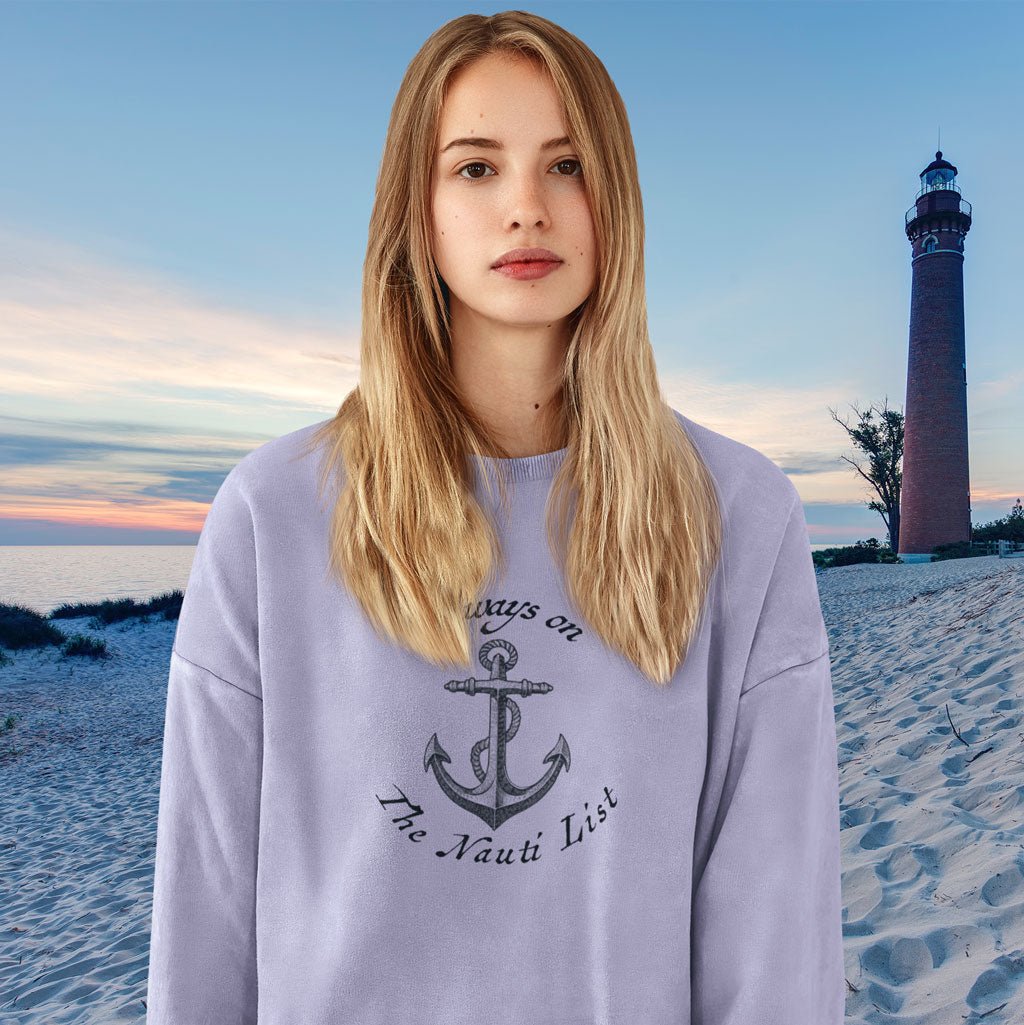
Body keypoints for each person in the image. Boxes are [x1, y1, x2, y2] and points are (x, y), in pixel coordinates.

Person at [145, 10, 845, 1025]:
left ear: (617, 199)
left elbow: (776, 941)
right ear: (417, 209)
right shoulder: (271, 515)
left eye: (567, 165)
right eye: (476, 168)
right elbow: (205, 927)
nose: (527, 207)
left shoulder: (740, 516)